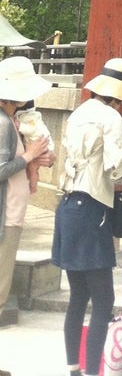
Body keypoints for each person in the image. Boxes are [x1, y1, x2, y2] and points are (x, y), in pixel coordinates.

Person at [52, 57, 122, 376]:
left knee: (77, 297)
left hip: (68, 209)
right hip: (92, 213)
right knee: (103, 300)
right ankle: (92, 371)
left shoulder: (79, 113)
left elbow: (95, 162)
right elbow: (114, 176)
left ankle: (74, 368)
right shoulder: (111, 117)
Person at [0, 55, 54, 326]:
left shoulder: (11, 121)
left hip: (11, 213)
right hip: (5, 215)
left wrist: (37, 157)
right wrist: (29, 156)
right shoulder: (2, 122)